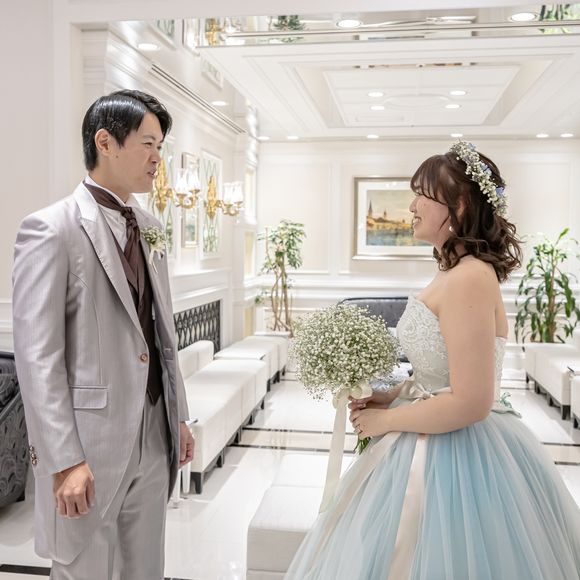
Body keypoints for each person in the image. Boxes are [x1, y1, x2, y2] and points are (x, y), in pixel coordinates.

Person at [285, 141, 580, 579]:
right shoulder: (453, 271)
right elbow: (438, 376)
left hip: (459, 457)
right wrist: (391, 395)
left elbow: (471, 402)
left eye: (422, 195)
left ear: (458, 206)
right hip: (427, 436)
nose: (411, 206)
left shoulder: (469, 278)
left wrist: (386, 422)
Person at [12, 89, 194, 580]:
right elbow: (38, 358)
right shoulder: (51, 229)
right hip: (88, 444)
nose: (157, 159)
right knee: (83, 570)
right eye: (148, 144)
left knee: (146, 569)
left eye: (160, 147)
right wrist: (64, 460)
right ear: (105, 142)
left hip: (153, 433)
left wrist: (177, 416)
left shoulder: (151, 227)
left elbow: (161, 334)